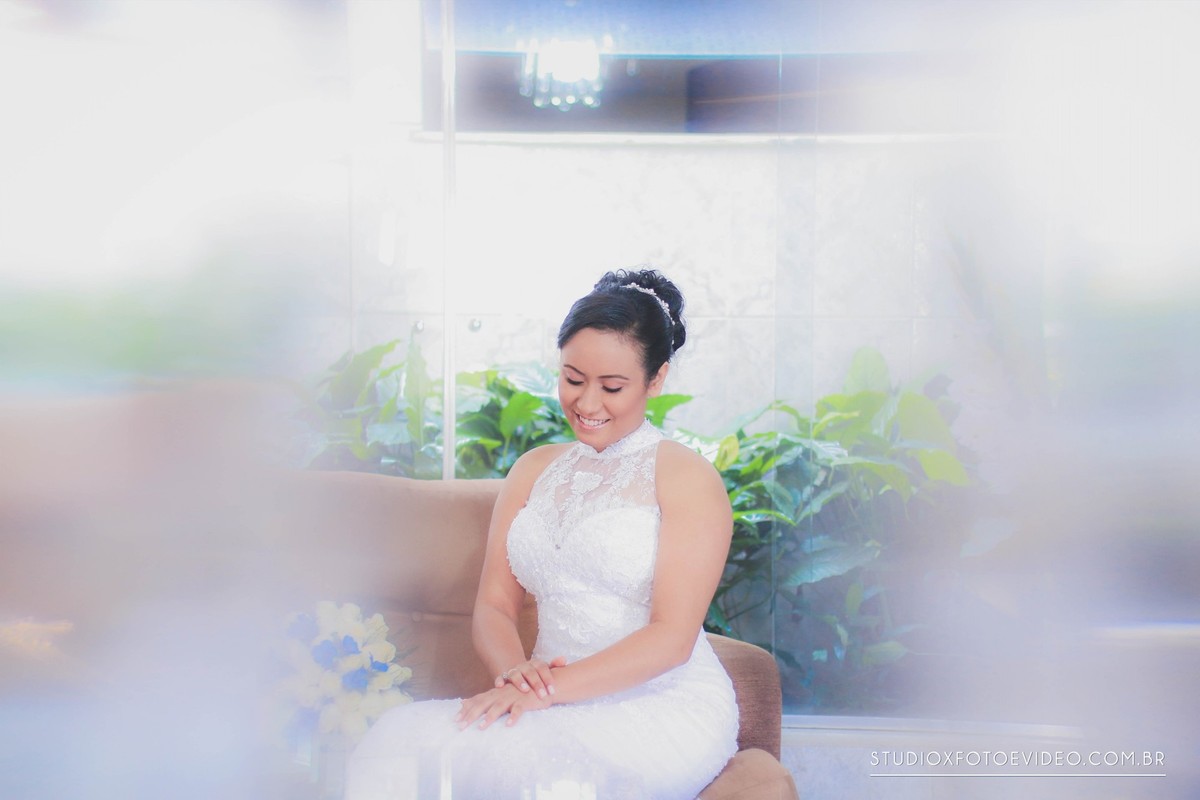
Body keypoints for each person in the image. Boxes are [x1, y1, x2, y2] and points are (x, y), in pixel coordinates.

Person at [345, 269, 738, 799]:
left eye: (612, 387)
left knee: (542, 775)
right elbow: (495, 606)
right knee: (394, 741)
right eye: (573, 379)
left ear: (656, 379)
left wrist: (544, 692)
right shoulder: (532, 470)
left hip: (658, 701)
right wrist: (518, 680)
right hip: (541, 698)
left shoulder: (686, 477)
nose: (587, 404)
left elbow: (671, 639)